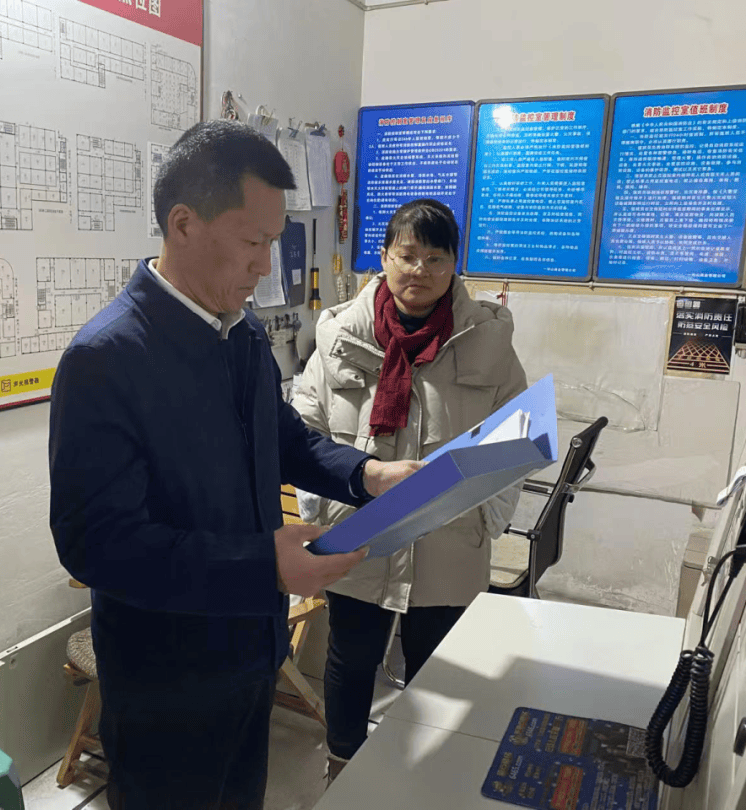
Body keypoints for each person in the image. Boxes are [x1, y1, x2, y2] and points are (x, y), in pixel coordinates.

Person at [48, 120, 419, 810]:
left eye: (273, 243)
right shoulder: (107, 360)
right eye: (252, 243)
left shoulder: (242, 333)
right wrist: (262, 565)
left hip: (253, 653)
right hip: (166, 683)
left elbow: (284, 439)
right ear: (184, 224)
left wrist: (366, 475)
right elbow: (94, 544)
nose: (265, 266)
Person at [292, 198, 528, 784]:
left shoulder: (488, 341)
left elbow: (517, 434)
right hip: (360, 532)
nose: (419, 270)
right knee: (350, 659)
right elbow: (306, 427)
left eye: (435, 258)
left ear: (454, 265)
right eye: (407, 255)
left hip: (450, 534)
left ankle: (425, 779)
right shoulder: (340, 337)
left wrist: (486, 521)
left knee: (437, 666)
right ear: (384, 258)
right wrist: (323, 514)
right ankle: (342, 767)